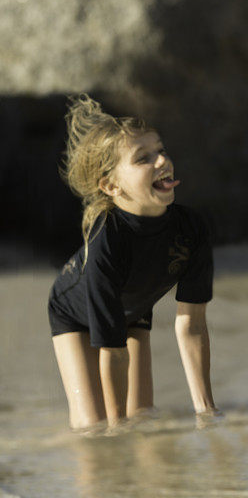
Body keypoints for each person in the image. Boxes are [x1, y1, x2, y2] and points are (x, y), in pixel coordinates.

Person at [48, 95, 220, 431]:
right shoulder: (107, 240)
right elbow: (112, 350)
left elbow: (192, 325)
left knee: (142, 417)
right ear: (111, 185)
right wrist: (116, 432)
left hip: (133, 308)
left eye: (161, 150)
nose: (162, 161)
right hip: (74, 312)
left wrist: (207, 412)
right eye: (144, 158)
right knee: (95, 428)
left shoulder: (191, 230)